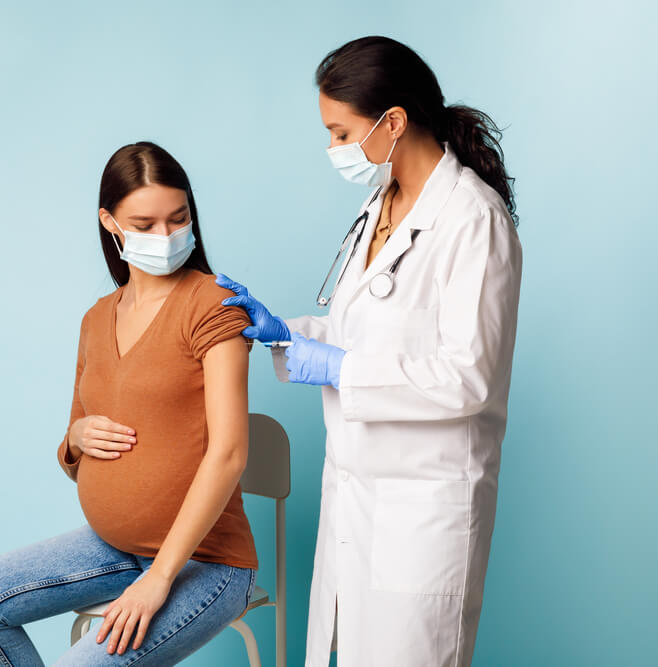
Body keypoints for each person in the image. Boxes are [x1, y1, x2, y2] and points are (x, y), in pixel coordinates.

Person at [217, 36, 523, 666]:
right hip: (356, 500)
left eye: (341, 133)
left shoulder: (473, 219)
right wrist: (286, 333)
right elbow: (366, 330)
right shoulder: (380, 203)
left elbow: (468, 378)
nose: (333, 149)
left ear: (393, 122)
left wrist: (340, 368)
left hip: (423, 515)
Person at [0, 141, 258, 666]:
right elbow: (73, 450)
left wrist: (159, 579)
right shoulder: (96, 318)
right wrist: (75, 438)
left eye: (178, 218)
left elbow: (229, 453)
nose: (166, 236)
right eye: (145, 224)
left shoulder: (213, 305)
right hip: (114, 550)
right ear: (109, 222)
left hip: (206, 561)